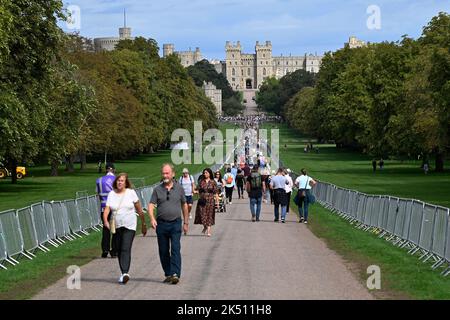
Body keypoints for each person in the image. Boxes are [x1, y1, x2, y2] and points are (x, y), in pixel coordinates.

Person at [102, 173, 147, 284]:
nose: (120, 182)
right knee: (118, 248)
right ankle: (123, 273)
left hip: (130, 225)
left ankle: (125, 272)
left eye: (122, 181)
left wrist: (143, 224)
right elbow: (107, 210)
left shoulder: (131, 193)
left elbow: (139, 209)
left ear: (126, 183)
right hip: (116, 226)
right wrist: (105, 221)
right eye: (118, 180)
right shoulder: (111, 194)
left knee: (125, 247)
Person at [148, 164, 189, 285]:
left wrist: (186, 222)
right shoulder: (157, 189)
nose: (165, 175)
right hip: (161, 224)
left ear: (173, 174)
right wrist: (151, 218)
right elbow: (151, 205)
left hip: (176, 223)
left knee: (175, 249)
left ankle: (175, 273)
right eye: (163, 173)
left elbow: (184, 205)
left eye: (167, 173)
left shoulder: (179, 188)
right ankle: (168, 273)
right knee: (163, 250)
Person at [96, 163, 117, 258]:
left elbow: (98, 194)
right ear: (113, 170)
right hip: (114, 207)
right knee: (115, 229)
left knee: (105, 229)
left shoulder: (99, 180)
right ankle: (114, 250)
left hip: (103, 207)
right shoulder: (116, 180)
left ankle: (105, 249)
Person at [195, 168, 219, 237]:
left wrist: (217, 203)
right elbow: (197, 190)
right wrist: (195, 191)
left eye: (206, 173)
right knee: (202, 215)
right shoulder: (201, 182)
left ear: (209, 173)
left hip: (210, 200)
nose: (205, 174)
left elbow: (216, 193)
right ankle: (205, 226)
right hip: (202, 200)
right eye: (204, 173)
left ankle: (209, 230)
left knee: (209, 215)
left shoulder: (213, 182)